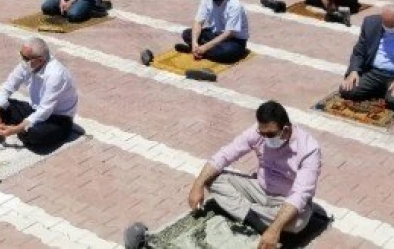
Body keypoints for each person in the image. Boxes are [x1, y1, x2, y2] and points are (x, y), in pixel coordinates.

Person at [133, 101, 320, 248]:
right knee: (214, 179)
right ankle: (255, 219)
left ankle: (255, 217)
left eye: (270, 134)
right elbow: (225, 154)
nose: (265, 138)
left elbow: (299, 195)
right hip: (259, 188)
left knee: (297, 224)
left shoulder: (309, 149)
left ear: (285, 130)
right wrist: (197, 184)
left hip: (285, 199)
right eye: (262, 133)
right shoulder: (259, 133)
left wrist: (275, 229)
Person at [0, 38, 78, 151]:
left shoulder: (55, 75)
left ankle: (22, 131)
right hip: (35, 109)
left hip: (57, 118)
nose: (23, 60)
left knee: (35, 134)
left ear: (40, 60)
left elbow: (45, 111)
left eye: (25, 58)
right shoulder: (28, 64)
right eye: (21, 55)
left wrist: (17, 129)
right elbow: (6, 87)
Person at [340, 4, 394, 112]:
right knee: (347, 90)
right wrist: (354, 71)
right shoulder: (370, 23)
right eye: (387, 26)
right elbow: (359, 51)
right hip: (373, 72)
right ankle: (381, 89)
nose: (390, 29)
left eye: (393, 26)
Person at [169, 0, 250, 63]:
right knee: (187, 34)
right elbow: (198, 22)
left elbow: (228, 34)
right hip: (214, 34)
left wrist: (205, 47)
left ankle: (198, 51)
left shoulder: (235, 6)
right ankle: (198, 49)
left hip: (234, 40)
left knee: (226, 52)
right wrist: (194, 43)